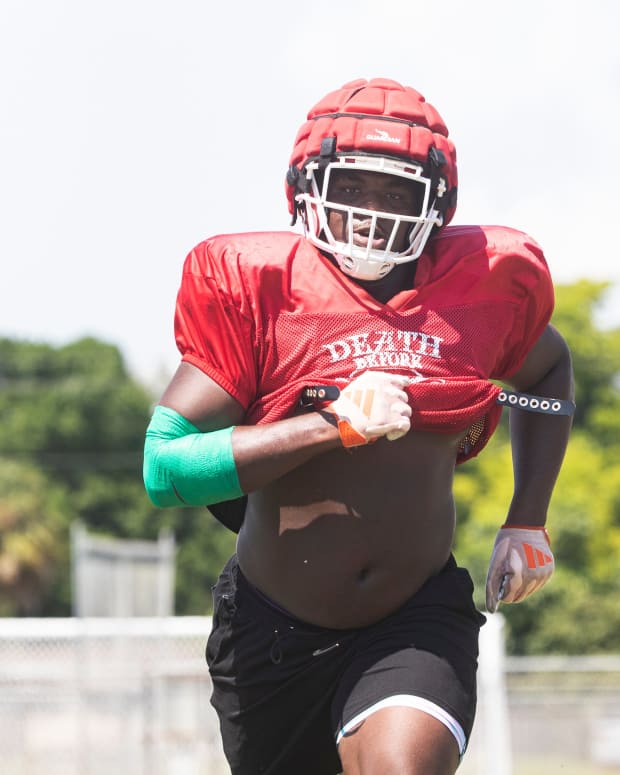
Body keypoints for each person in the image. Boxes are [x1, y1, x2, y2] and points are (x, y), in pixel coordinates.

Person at [143, 77, 574, 775]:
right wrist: (328, 425)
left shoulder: (479, 290)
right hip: (271, 632)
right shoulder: (262, 293)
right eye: (354, 188)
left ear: (437, 202)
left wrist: (529, 517)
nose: (373, 215)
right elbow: (164, 468)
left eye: (396, 193)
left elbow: (549, 378)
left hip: (415, 616)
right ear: (307, 187)